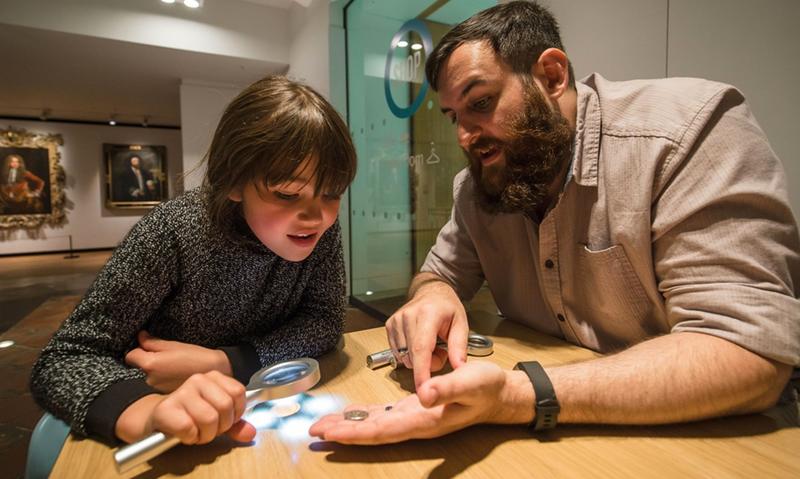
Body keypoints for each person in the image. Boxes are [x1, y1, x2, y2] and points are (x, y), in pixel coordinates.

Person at [310, 1, 799, 444]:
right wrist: (434, 294)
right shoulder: (477, 185)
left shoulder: (685, 132)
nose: (463, 136)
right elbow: (438, 272)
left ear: (551, 74)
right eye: (453, 115)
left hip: (717, 441)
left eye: (480, 103)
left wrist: (518, 396)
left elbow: (747, 351)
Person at [30, 75, 357, 446]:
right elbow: (63, 359)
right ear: (232, 181)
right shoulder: (171, 232)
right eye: (286, 194)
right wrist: (146, 414)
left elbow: (324, 320)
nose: (316, 216)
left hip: (257, 417)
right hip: (168, 427)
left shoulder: (320, 230)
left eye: (332, 193)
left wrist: (227, 363)